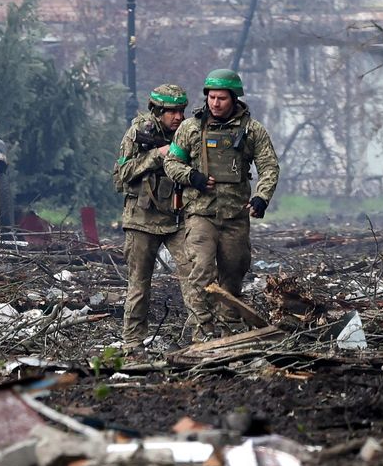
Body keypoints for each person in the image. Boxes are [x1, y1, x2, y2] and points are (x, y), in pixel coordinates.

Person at [162, 68, 280, 341]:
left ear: (234, 98)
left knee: (234, 273)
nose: (215, 103)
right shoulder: (191, 128)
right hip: (200, 214)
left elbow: (269, 166)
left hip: (236, 216)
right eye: (212, 97)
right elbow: (171, 163)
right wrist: (193, 177)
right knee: (201, 270)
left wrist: (262, 197)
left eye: (222, 98)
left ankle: (227, 330)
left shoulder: (252, 130)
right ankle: (202, 329)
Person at [112, 83, 190, 353]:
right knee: (139, 283)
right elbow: (121, 175)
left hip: (176, 218)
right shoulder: (138, 133)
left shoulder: (186, 134)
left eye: (181, 111)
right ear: (157, 111)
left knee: (195, 275)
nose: (178, 117)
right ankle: (133, 342)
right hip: (141, 219)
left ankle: (203, 335)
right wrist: (158, 155)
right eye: (171, 112)